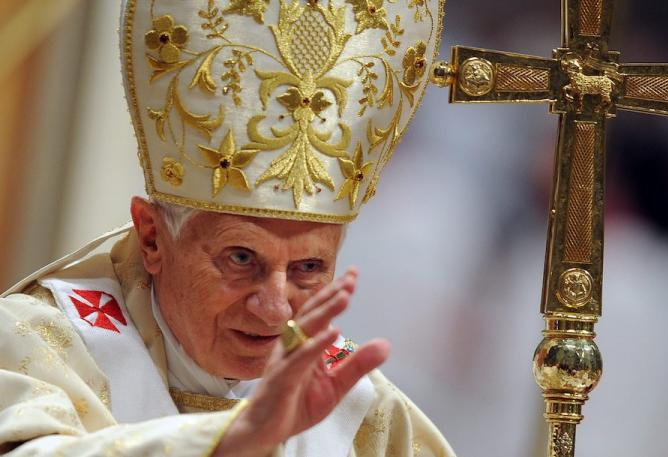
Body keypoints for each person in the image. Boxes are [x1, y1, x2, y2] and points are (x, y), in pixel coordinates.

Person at [0, 0, 455, 455]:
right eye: (241, 259)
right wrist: (234, 441)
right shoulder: (34, 347)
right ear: (153, 237)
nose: (275, 309)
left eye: (309, 267)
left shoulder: (362, 413)